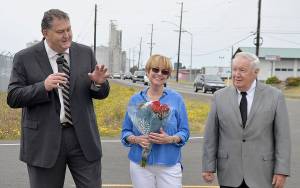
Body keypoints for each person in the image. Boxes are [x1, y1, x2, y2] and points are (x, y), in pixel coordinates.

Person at [7, 9, 110, 188]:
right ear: (45, 33)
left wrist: (99, 83)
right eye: (60, 31)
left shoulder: (85, 53)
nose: (67, 35)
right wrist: (43, 87)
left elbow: (100, 93)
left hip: (83, 139)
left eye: (69, 29)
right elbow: (13, 97)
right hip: (44, 142)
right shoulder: (24, 58)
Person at [202, 52, 291, 188]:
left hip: (262, 174)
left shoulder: (275, 97)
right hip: (229, 173)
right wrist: (208, 166)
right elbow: (211, 135)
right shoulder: (219, 97)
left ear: (256, 72)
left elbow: (283, 138)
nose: (237, 74)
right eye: (234, 69)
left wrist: (281, 171)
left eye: (242, 70)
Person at [121, 54, 190, 188]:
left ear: (168, 75)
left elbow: (185, 132)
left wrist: (170, 139)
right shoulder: (135, 100)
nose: (159, 74)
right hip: (140, 164)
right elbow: (125, 132)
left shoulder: (177, 99)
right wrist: (137, 139)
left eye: (164, 71)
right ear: (147, 71)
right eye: (155, 69)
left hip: (169, 164)